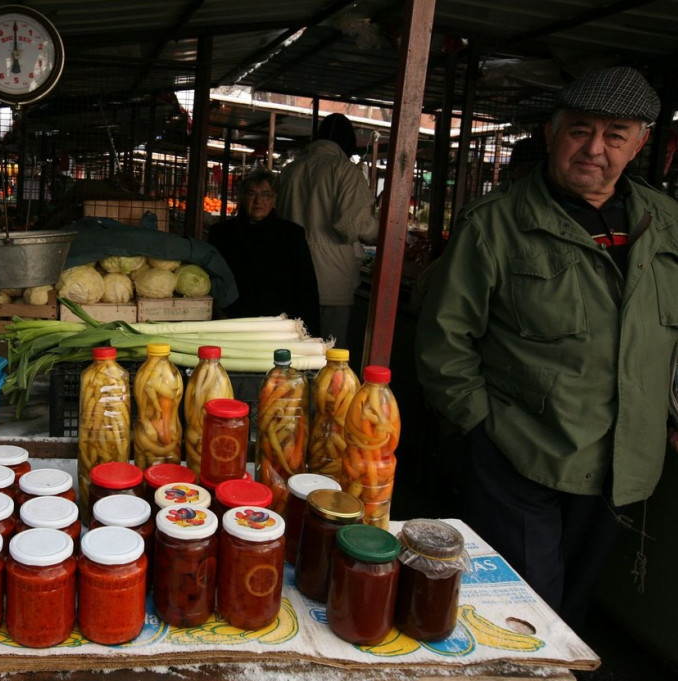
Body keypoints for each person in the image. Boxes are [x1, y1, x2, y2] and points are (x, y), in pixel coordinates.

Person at [415, 66, 678, 631]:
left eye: (615, 135)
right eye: (580, 130)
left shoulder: (668, 226)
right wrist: (483, 429)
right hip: (522, 454)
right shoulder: (498, 224)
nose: (594, 149)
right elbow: (444, 342)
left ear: (640, 143)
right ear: (553, 132)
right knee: (519, 610)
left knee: (573, 607)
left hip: (624, 460)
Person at [276, 113, 378, 346]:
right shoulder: (346, 171)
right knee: (329, 353)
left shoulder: (291, 170)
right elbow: (352, 225)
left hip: (292, 272)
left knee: (293, 348)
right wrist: (382, 233)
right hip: (332, 279)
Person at [207, 169, 320, 335]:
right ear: (242, 198)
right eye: (252, 194)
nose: (259, 201)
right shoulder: (222, 233)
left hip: (279, 324)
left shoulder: (291, 234)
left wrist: (310, 333)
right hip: (234, 322)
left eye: (266, 195)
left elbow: (306, 286)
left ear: (274, 200)